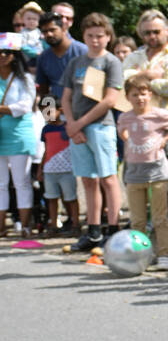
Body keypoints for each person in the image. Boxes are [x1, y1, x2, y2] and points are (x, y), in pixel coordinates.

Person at [61, 13, 124, 251]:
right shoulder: (76, 63)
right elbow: (66, 96)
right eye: (90, 36)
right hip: (76, 128)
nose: (95, 40)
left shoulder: (111, 62)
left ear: (108, 37)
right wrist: (71, 123)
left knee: (108, 178)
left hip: (100, 126)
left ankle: (113, 228)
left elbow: (110, 99)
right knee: (88, 180)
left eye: (100, 36)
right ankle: (94, 230)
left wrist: (80, 123)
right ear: (83, 37)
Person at [118, 73, 168, 268]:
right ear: (127, 97)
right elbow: (121, 130)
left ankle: (164, 253)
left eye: (143, 93)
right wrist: (127, 139)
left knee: (159, 217)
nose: (140, 98)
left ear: (150, 95)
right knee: (138, 220)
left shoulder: (158, 114)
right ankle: (140, 254)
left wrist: (165, 139)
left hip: (156, 171)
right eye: (134, 95)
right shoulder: (125, 117)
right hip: (134, 172)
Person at [121, 9, 168, 121]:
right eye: (147, 33)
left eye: (156, 32)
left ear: (167, 31)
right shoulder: (133, 57)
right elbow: (121, 82)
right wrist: (147, 74)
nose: (152, 36)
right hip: (136, 123)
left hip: (167, 124)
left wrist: (136, 79)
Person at [0, 37, 38, 238]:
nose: (1, 57)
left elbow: (25, 106)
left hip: (19, 137)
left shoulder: (25, 79)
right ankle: (1, 227)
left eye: (5, 52)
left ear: (14, 55)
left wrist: (1, 109)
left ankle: (25, 226)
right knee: (0, 184)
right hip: (0, 138)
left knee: (21, 182)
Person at [37, 100, 79, 236]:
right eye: (44, 112)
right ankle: (54, 225)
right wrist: (40, 169)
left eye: (50, 111)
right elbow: (46, 150)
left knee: (71, 198)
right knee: (52, 198)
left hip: (67, 169)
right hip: (50, 170)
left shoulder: (68, 127)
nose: (47, 114)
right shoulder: (46, 129)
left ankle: (75, 224)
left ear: (60, 110)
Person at [35, 11, 87, 101]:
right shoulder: (43, 57)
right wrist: (49, 113)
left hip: (81, 107)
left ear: (63, 29)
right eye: (45, 32)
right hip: (56, 108)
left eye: (52, 30)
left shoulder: (82, 52)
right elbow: (43, 89)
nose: (49, 34)